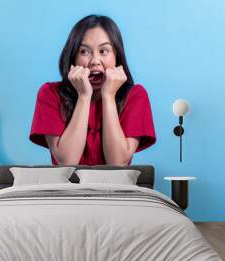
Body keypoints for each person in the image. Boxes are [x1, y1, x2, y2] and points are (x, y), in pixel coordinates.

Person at [29, 15, 156, 166]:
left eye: (104, 51)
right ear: (73, 57)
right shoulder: (50, 93)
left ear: (117, 57)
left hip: (116, 189)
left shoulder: (135, 96)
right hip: (67, 189)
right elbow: (67, 163)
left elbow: (117, 165)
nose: (95, 61)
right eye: (84, 52)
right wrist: (84, 96)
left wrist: (108, 96)